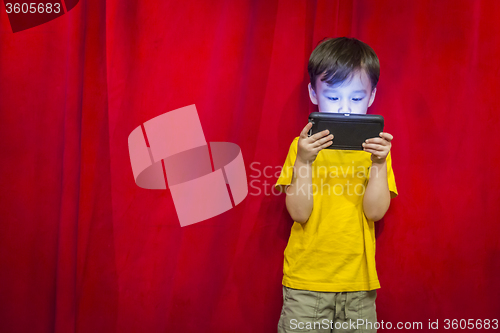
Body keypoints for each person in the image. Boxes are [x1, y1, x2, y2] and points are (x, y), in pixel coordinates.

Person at [275, 37, 398, 333]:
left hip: (358, 286)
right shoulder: (301, 147)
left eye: (356, 99)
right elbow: (299, 213)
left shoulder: (376, 151)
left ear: (371, 97)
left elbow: (375, 212)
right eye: (333, 97)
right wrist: (303, 162)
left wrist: (379, 164)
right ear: (313, 94)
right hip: (306, 284)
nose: (344, 109)